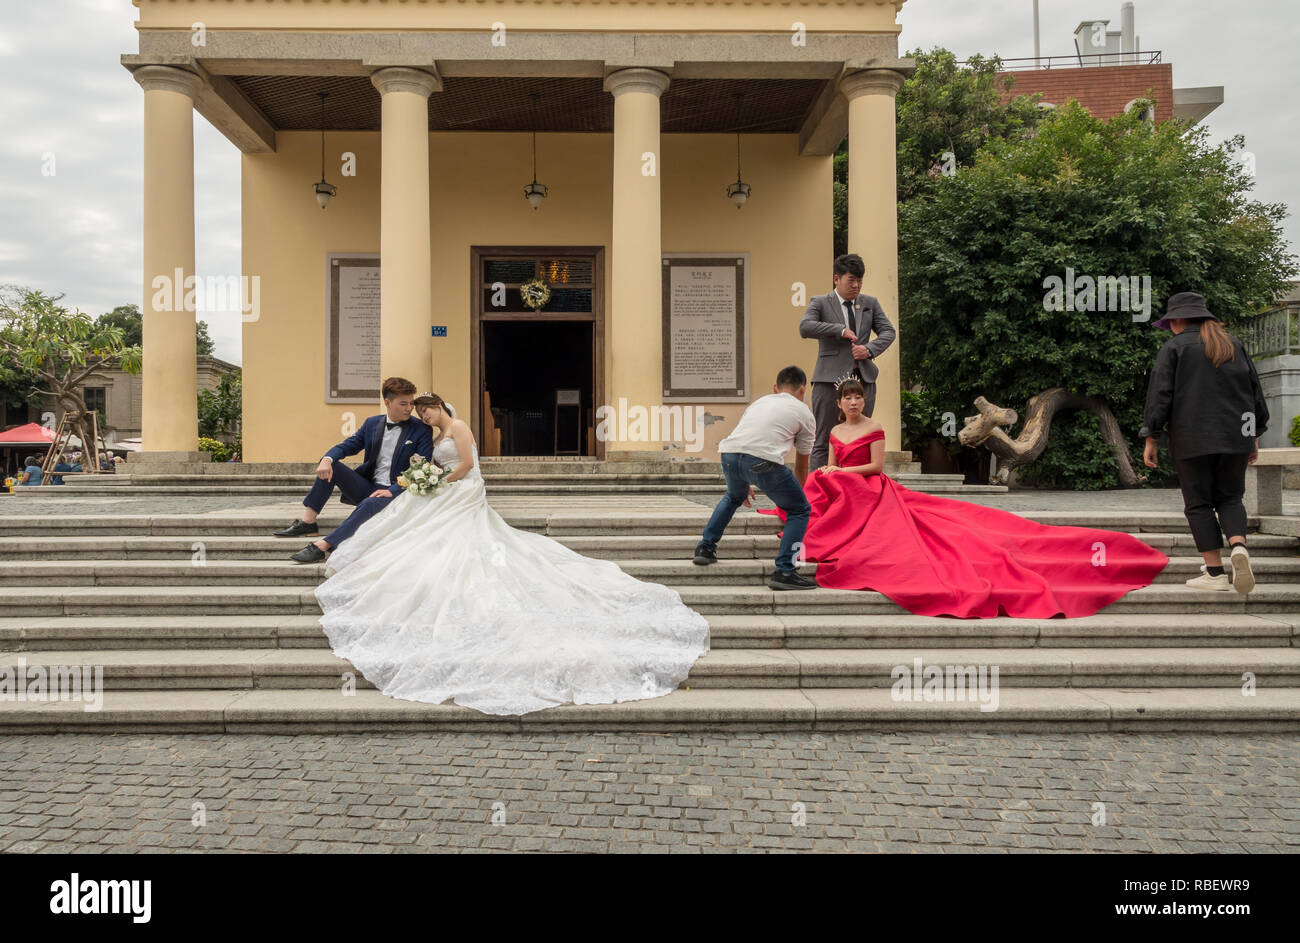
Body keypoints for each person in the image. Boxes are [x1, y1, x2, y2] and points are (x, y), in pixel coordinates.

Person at [314, 392, 710, 715]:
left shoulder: (461, 427)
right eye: (420, 411)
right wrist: (425, 469)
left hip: (464, 490)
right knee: (416, 522)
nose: (425, 415)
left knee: (454, 534)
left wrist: (438, 480)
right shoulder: (433, 437)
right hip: (445, 489)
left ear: (440, 407)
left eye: (428, 409)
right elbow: (437, 461)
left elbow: (467, 465)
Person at [758, 376, 1170, 618]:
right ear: (839, 402)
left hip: (868, 486)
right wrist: (831, 470)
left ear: (863, 400)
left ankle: (828, 537)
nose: (852, 402)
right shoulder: (834, 431)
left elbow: (875, 469)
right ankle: (814, 531)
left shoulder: (875, 427)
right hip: (844, 482)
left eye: (857, 397)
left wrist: (840, 471)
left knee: (839, 483)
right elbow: (828, 462)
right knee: (819, 482)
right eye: (846, 398)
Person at [1140, 291, 1268, 593]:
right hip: (1236, 436)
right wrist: (1253, 435)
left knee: (1198, 504)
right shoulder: (1233, 344)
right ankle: (1239, 547)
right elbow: (1254, 395)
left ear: (1179, 319)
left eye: (1170, 322)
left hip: (1191, 438)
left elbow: (1160, 396)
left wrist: (1151, 435)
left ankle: (1214, 573)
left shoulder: (1174, 348)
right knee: (1231, 498)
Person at [275, 376, 434, 562]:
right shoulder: (372, 423)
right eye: (403, 404)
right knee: (332, 465)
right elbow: (348, 446)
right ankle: (308, 523)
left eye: (411, 403)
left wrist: (392, 491)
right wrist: (326, 459)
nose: (409, 409)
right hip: (368, 485)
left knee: (368, 503)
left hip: (397, 491)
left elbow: (422, 468)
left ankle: (323, 546)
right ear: (388, 402)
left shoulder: (421, 429)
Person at [693, 366, 818, 590]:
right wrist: (797, 498)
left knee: (733, 496)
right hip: (762, 461)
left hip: (730, 454)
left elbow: (748, 438)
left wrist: (744, 477)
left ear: (775, 388)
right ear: (803, 388)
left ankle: (705, 547)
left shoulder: (760, 402)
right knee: (800, 510)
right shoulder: (804, 413)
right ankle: (785, 570)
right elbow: (802, 463)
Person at [799, 252, 896, 471]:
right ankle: (820, 494)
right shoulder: (821, 302)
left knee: (861, 438)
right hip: (828, 379)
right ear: (837, 279)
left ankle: (857, 493)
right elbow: (805, 327)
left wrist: (869, 350)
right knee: (823, 439)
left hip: (863, 377)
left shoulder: (870, 303)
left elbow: (888, 332)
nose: (856, 285)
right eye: (851, 280)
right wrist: (839, 330)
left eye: (860, 281)